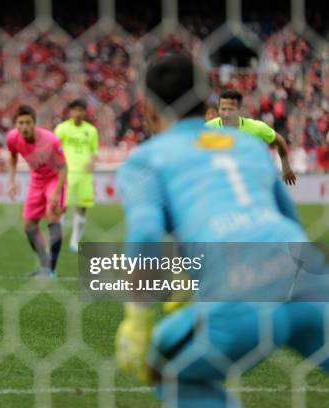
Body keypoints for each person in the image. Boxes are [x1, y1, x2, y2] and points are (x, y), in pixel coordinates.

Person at [115, 54, 327, 408]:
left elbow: (145, 235)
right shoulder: (246, 144)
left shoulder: (146, 158)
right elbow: (288, 219)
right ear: (206, 102)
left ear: (147, 108)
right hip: (308, 282)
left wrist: (137, 321)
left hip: (242, 291)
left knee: (163, 367)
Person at [7, 105, 67, 278]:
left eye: (28, 122)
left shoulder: (51, 140)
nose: (24, 126)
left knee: (52, 215)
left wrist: (56, 192)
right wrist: (11, 181)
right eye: (20, 123)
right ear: (15, 125)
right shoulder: (12, 138)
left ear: (34, 123)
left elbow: (63, 168)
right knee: (29, 226)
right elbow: (12, 157)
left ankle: (51, 270)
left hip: (55, 179)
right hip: (37, 180)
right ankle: (45, 265)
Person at [206, 90, 297, 185]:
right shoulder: (206, 129)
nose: (226, 113)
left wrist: (286, 167)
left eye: (231, 109)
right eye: (223, 109)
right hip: (219, 184)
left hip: (250, 183)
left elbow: (280, 141)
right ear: (218, 109)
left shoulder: (256, 128)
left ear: (239, 110)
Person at [54, 99, 99, 252]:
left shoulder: (91, 130)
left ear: (85, 112)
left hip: (85, 175)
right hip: (66, 174)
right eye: (75, 110)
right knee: (61, 207)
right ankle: (57, 238)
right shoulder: (62, 129)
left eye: (81, 110)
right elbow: (54, 149)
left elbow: (94, 151)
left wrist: (92, 162)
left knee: (82, 208)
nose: (78, 113)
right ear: (70, 111)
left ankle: (74, 241)